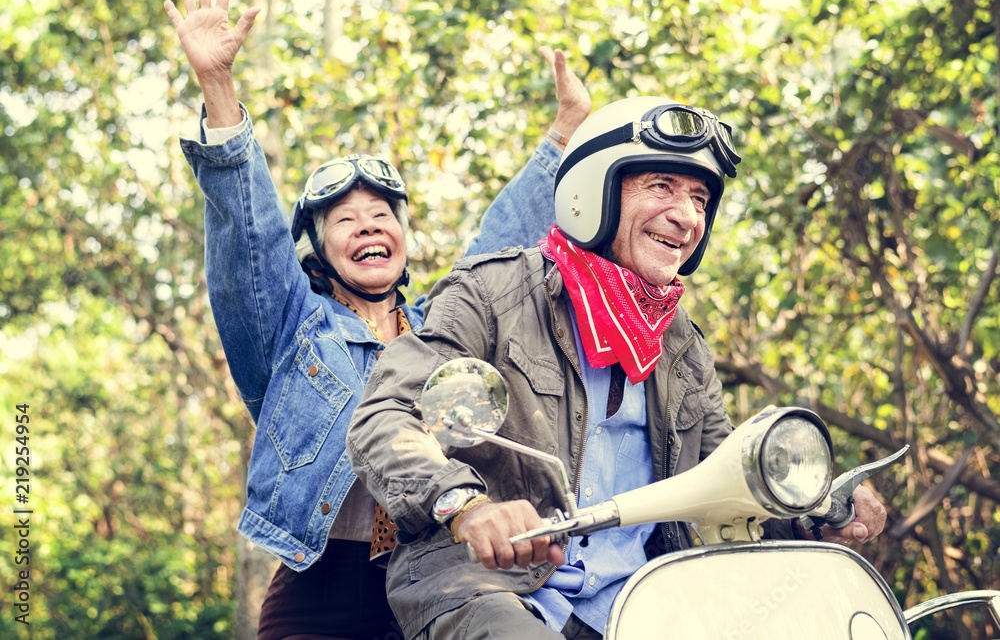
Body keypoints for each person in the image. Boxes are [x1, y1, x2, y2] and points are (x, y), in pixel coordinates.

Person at [346, 96, 888, 639]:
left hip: (639, 604)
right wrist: (466, 504)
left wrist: (817, 508)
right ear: (592, 192)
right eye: (662, 187)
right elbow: (386, 416)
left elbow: (732, 481)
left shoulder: (682, 346)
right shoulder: (492, 292)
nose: (687, 216)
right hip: (491, 590)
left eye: (699, 199)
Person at [164, 0, 592, 640]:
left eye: (381, 214)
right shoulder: (293, 329)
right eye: (345, 219)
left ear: (401, 235)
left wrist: (564, 134)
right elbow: (251, 237)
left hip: (439, 572)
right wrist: (218, 89)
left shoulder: (438, 328)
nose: (368, 225)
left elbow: (498, 246)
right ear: (320, 248)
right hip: (322, 586)